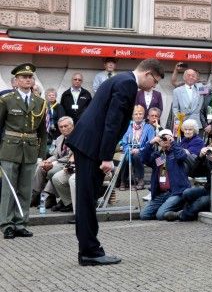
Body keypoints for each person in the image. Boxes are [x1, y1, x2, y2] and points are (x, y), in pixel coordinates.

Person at [66, 58, 164, 266]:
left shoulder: (120, 79)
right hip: (93, 146)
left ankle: (89, 249)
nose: (154, 86)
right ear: (148, 74)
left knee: (87, 198)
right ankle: (90, 251)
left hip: (87, 143)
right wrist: (106, 156)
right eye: (154, 81)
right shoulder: (128, 83)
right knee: (87, 199)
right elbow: (112, 121)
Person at [0, 64, 48, 239]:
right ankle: (6, 225)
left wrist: (41, 154)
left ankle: (21, 223)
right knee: (9, 189)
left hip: (30, 149)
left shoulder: (40, 103)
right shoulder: (7, 100)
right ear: (16, 81)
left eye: (30, 77)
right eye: (24, 77)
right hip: (9, 149)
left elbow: (43, 131)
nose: (27, 79)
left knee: (25, 189)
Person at [139, 129, 191, 221]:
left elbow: (181, 156)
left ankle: (182, 209)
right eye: (162, 138)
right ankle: (169, 208)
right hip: (161, 194)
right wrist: (151, 143)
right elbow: (143, 159)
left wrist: (173, 142)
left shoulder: (177, 153)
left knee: (160, 215)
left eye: (167, 138)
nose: (165, 140)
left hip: (176, 192)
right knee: (144, 215)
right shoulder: (160, 156)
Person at [32, 116, 74, 211]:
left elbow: (69, 157)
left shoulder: (76, 137)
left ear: (72, 126)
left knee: (52, 171)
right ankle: (35, 195)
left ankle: (49, 196)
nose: (63, 128)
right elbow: (55, 154)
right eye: (61, 127)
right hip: (59, 162)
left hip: (69, 164)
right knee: (40, 166)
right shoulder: (59, 138)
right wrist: (47, 161)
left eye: (65, 126)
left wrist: (53, 163)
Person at [117, 105, 155, 191]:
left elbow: (151, 144)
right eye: (136, 114)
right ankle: (123, 181)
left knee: (137, 155)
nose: (138, 116)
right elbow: (124, 141)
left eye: (140, 114)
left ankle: (140, 180)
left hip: (143, 152)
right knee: (127, 157)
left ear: (144, 115)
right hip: (129, 151)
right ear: (132, 115)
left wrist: (139, 150)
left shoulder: (149, 128)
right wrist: (128, 149)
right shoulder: (127, 127)